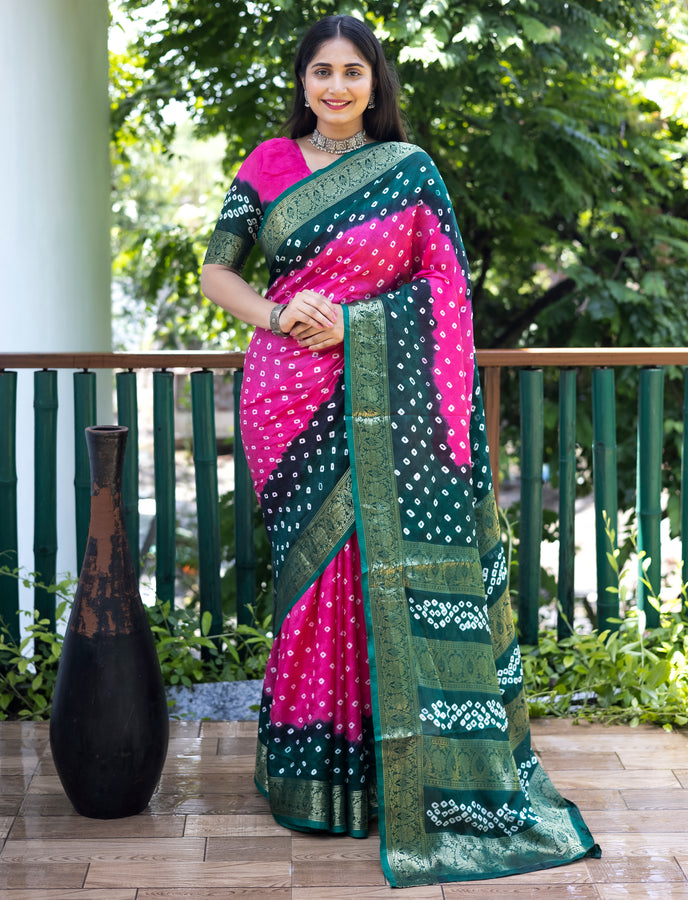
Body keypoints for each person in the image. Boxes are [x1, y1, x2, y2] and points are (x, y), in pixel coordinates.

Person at [201, 14, 600, 888]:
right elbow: (217, 271)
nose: (336, 88)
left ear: (376, 83)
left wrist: (355, 322)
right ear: (301, 81)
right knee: (315, 581)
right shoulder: (265, 166)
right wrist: (277, 314)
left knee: (379, 572)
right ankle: (319, 775)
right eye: (321, 72)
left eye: (353, 72)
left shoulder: (410, 173)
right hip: (286, 395)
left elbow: (445, 288)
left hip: (387, 400)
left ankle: (394, 781)